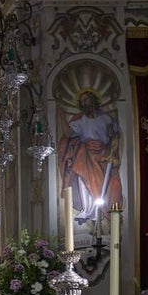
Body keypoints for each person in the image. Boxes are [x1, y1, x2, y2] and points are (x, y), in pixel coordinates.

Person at [59, 88, 121, 216]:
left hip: (102, 154)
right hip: (86, 154)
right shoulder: (81, 121)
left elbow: (114, 137)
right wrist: (61, 116)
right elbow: (68, 133)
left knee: (102, 182)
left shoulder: (106, 119)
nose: (85, 103)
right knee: (83, 179)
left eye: (86, 100)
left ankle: (99, 211)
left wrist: (111, 153)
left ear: (93, 100)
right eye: (82, 102)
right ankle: (88, 210)